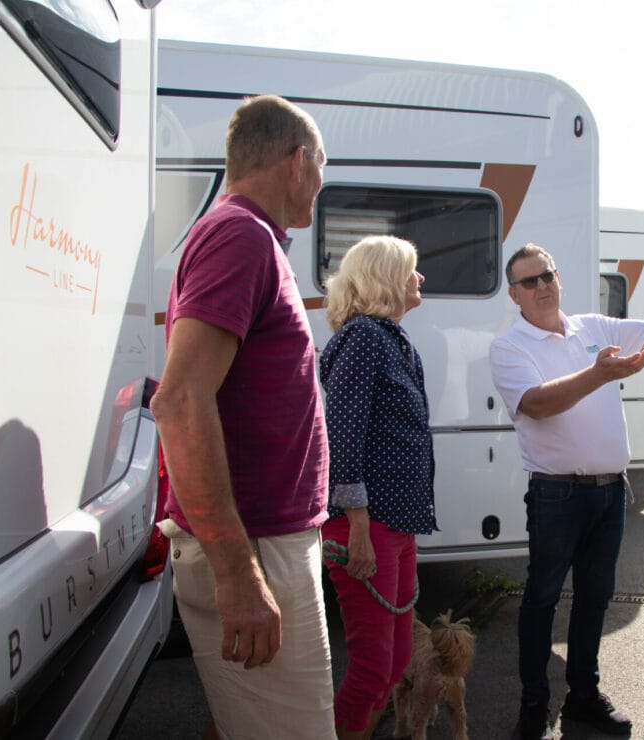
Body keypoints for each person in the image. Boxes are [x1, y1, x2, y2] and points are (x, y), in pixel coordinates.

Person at [489, 239, 644, 739]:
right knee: (541, 601)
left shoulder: (593, 327)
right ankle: (534, 707)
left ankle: (583, 697)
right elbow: (537, 404)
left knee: (595, 599)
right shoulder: (509, 347)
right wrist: (597, 374)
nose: (542, 286)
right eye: (529, 281)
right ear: (514, 294)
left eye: (547, 275)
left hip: (609, 493)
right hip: (556, 495)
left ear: (558, 279)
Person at [150, 94, 335, 739]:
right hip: (255, 547)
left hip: (265, 541)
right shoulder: (240, 235)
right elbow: (180, 402)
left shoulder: (248, 237)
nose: (321, 182)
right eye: (321, 166)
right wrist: (237, 573)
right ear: (298, 161)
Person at [319, 235, 438, 740]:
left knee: (395, 663)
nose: (420, 278)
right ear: (386, 278)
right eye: (412, 269)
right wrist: (359, 528)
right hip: (366, 527)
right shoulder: (364, 337)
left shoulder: (392, 339)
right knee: (372, 670)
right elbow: (343, 436)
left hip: (397, 524)